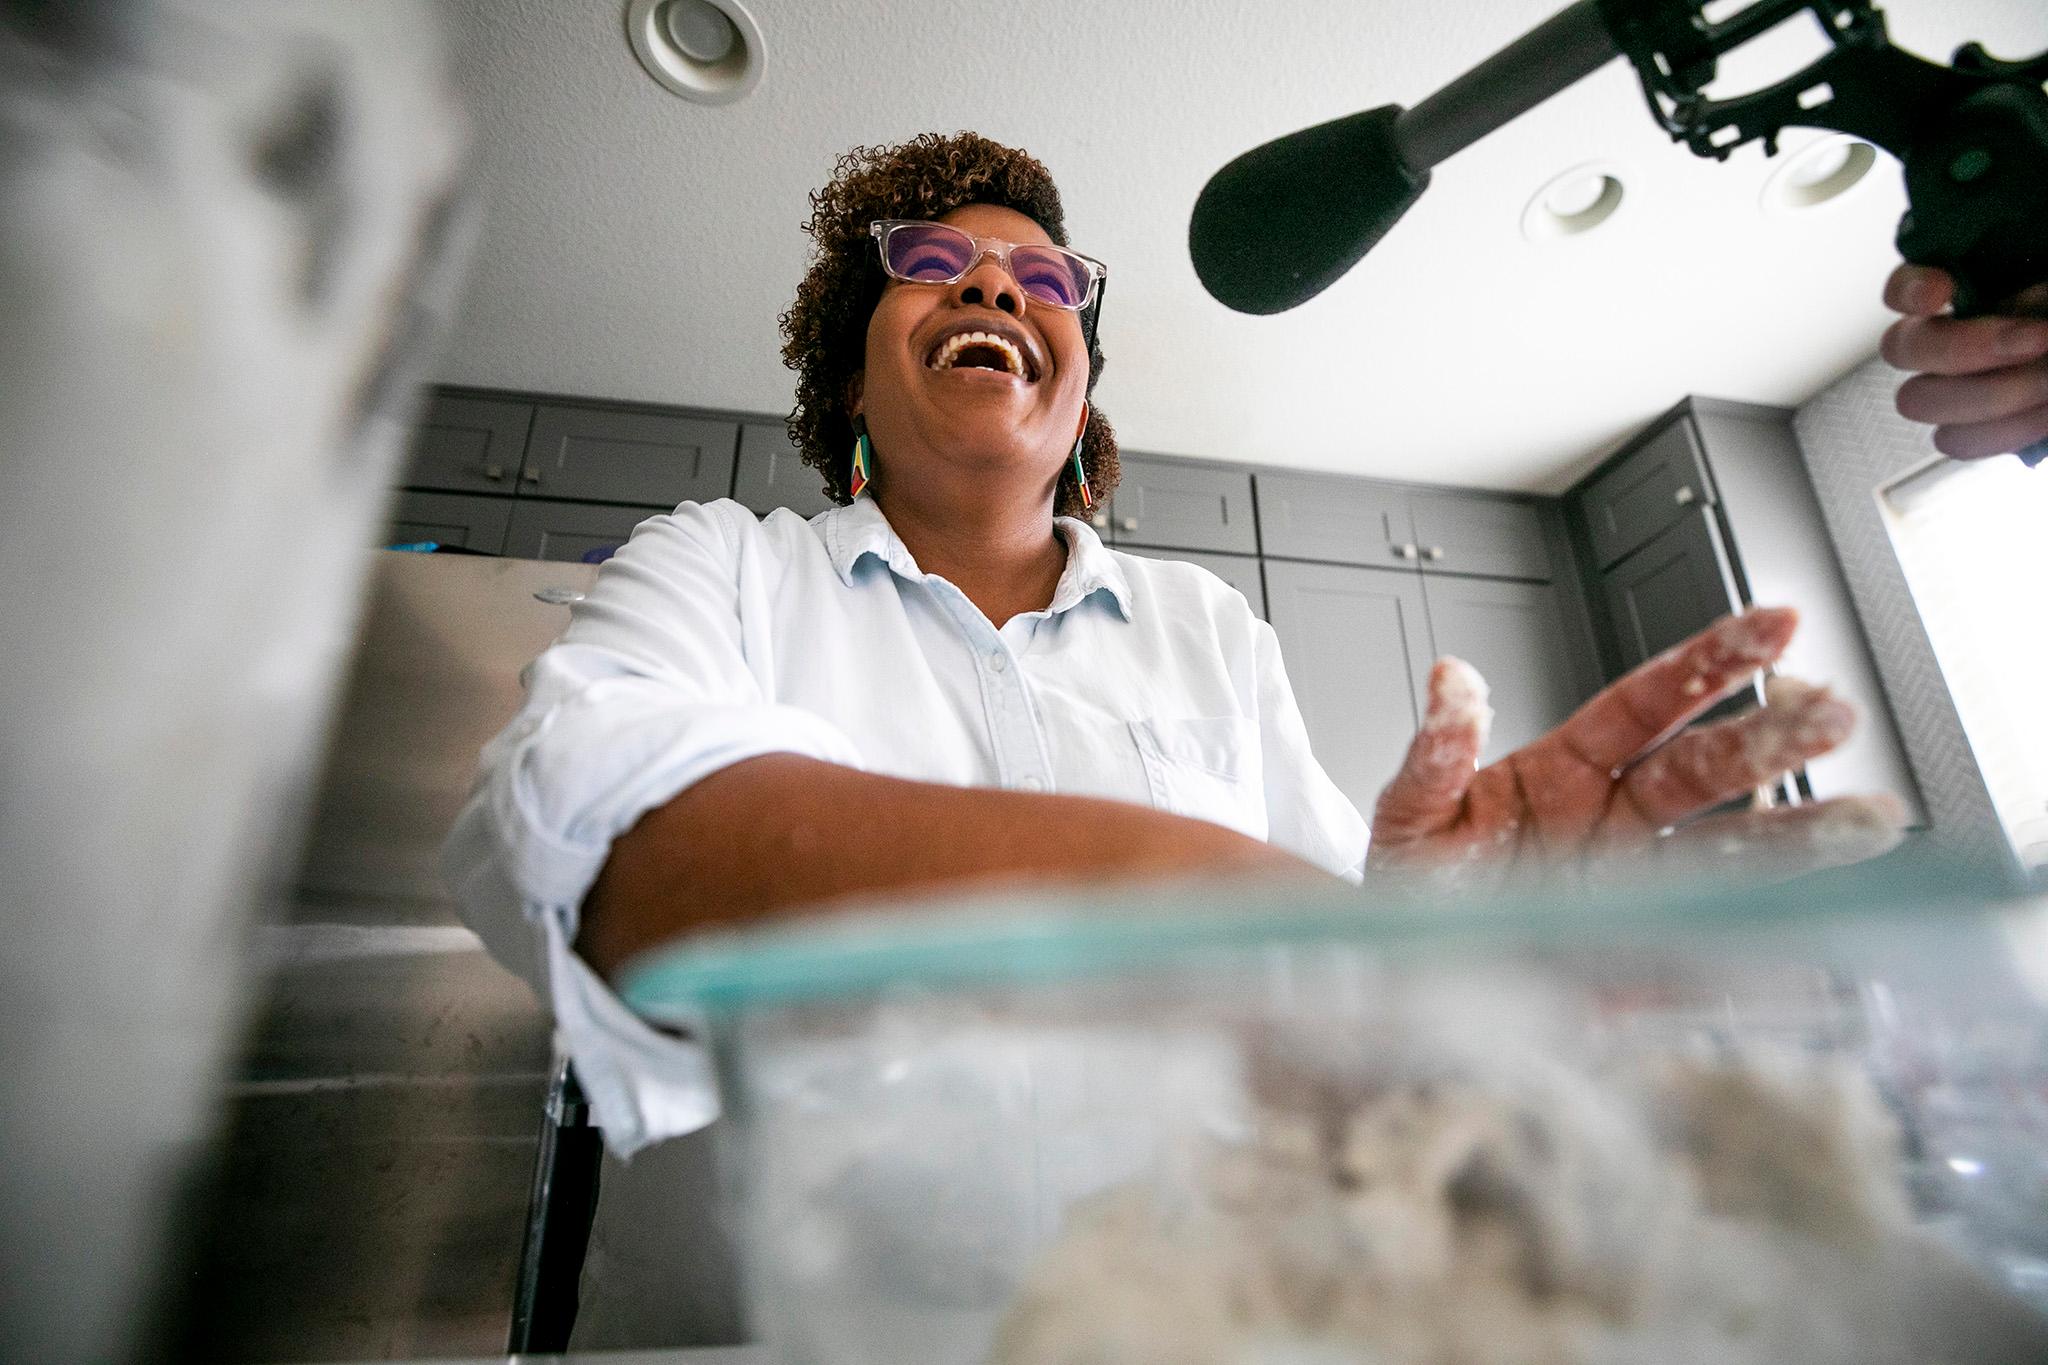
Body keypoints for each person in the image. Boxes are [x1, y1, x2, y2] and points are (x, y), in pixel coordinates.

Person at [441, 131, 2041, 1346]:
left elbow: (1333, 999)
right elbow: (593, 833)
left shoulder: (1208, 628)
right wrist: (1183, 891)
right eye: (936, 261)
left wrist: (1457, 928)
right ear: (849, 366)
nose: (999, 283)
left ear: (1080, 409)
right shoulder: (719, 564)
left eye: (1047, 280)